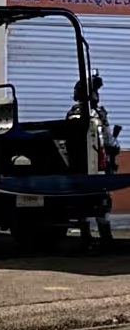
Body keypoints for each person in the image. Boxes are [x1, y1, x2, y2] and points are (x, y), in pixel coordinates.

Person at [66, 72, 118, 247]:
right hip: (94, 164)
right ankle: (102, 238)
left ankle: (89, 237)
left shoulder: (74, 113)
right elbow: (106, 140)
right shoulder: (93, 115)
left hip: (81, 166)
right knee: (99, 202)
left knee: (86, 202)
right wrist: (114, 146)